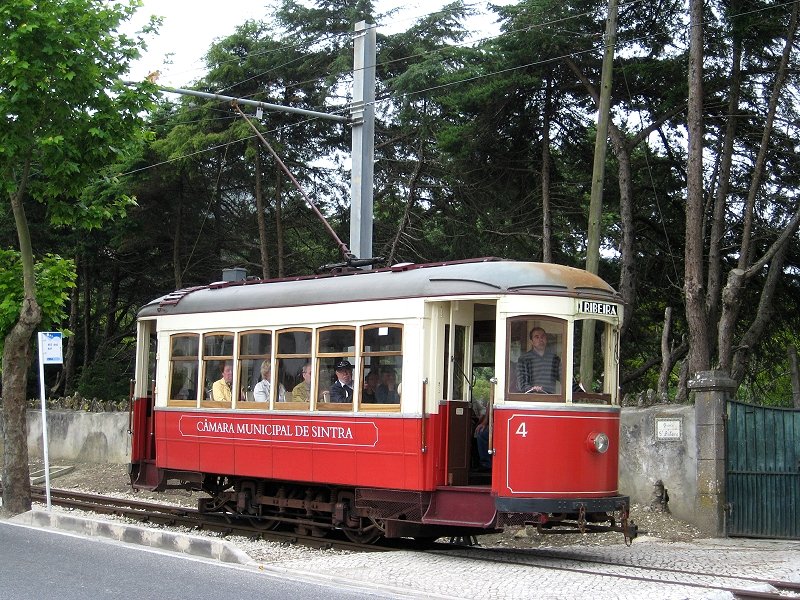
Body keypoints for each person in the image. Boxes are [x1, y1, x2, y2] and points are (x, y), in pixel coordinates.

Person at [516, 327, 560, 394]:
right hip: (530, 399)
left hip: (550, 399)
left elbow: (565, 378)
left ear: (546, 339)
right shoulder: (524, 359)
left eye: (543, 336)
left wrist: (579, 390)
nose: (540, 339)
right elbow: (521, 384)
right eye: (537, 337)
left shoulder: (554, 359)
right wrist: (533, 389)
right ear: (531, 341)